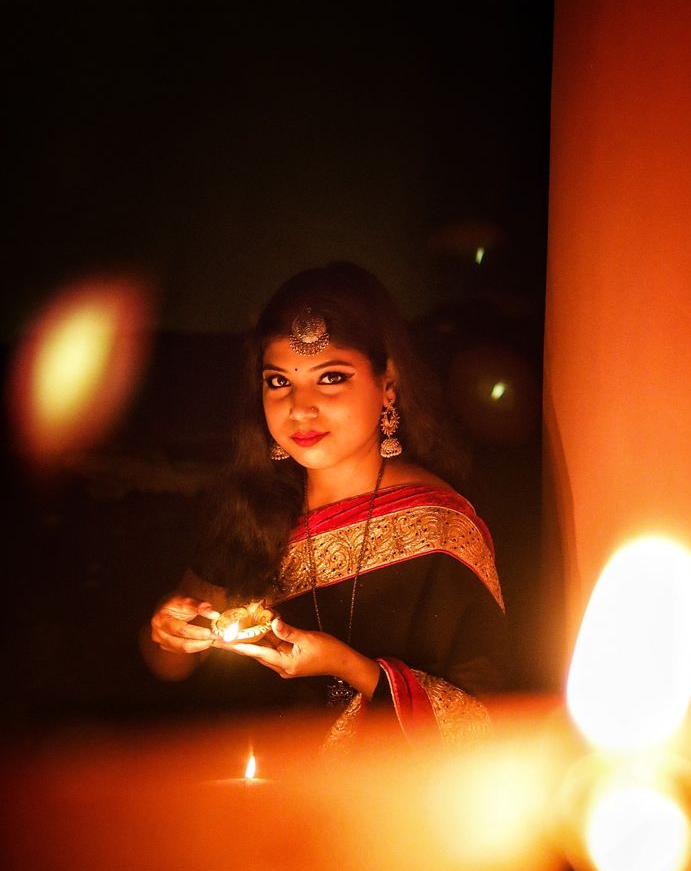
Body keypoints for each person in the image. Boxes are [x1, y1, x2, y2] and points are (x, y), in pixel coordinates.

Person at [141, 261, 508, 752]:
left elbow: (484, 727)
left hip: (390, 812)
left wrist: (349, 666)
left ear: (389, 384)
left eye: (331, 377)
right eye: (278, 382)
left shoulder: (442, 529)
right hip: (262, 792)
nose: (300, 407)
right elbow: (168, 667)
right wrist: (167, 630)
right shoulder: (251, 510)